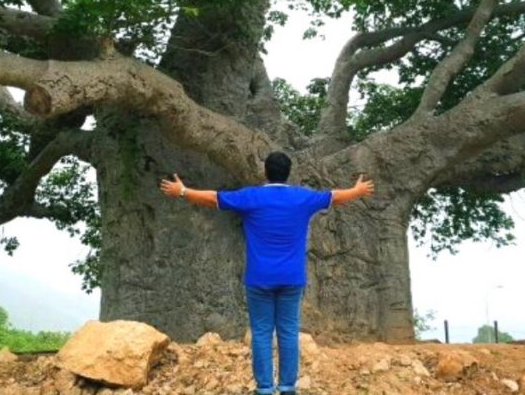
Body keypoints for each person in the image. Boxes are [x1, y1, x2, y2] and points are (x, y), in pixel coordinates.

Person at [159, 151, 375, 395]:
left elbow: (214, 199)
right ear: (288, 172)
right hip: (292, 278)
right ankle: (287, 388)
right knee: (289, 332)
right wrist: (357, 191)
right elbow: (334, 197)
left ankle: (264, 388)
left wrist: (183, 191)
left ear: (266, 171)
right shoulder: (303, 198)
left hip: (259, 278)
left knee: (261, 333)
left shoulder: (251, 197)